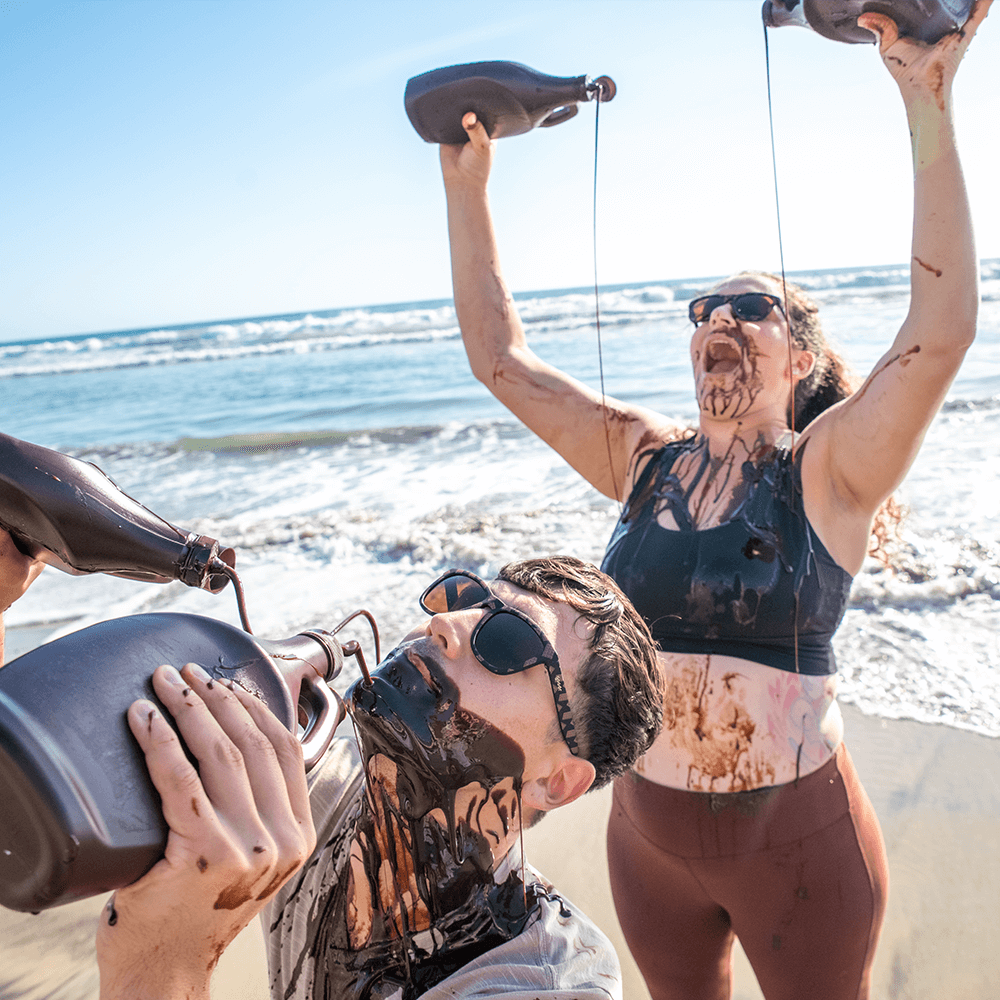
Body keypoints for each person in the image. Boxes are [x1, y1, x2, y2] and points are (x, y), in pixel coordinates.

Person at [437, 5, 991, 999]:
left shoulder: (830, 470)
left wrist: (926, 103)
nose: (717, 318)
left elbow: (940, 330)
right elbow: (500, 364)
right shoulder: (647, 460)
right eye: (702, 310)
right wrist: (467, 191)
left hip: (802, 858)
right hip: (644, 843)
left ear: (803, 357)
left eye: (749, 306)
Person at [0, 538, 662, 999]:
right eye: (461, 595)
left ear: (556, 780)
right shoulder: (326, 797)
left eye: (507, 641)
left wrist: (162, 963)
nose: (445, 623)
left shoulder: (545, 984)